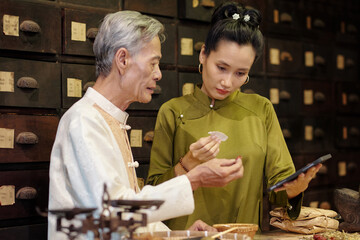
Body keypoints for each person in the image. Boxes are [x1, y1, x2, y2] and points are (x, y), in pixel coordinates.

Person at [48, 10, 244, 240]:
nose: (159, 74)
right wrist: (193, 180)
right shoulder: (84, 122)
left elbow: (127, 218)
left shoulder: (107, 118)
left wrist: (181, 234)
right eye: (153, 64)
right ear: (122, 60)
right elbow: (114, 213)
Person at [146, 1, 322, 231]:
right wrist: (188, 163)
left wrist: (295, 189)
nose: (227, 82)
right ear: (203, 55)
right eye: (221, 67)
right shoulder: (172, 112)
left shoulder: (261, 109)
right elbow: (154, 194)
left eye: (240, 73)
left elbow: (279, 191)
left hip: (242, 236)